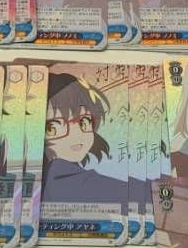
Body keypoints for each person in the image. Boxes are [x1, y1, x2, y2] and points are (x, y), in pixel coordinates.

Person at [41, 72, 127, 204]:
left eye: (84, 122)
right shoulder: (59, 174)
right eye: (54, 127)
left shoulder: (70, 170)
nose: (76, 135)